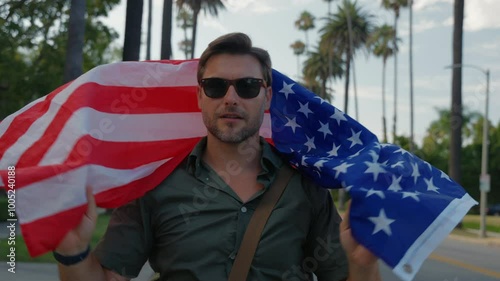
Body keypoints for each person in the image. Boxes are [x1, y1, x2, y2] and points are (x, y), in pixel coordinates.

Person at [55, 32, 381, 281]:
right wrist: (72, 253)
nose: (230, 98)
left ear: (267, 96)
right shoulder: (155, 182)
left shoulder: (306, 187)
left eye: (248, 86)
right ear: (199, 95)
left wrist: (364, 266)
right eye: (214, 86)